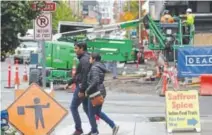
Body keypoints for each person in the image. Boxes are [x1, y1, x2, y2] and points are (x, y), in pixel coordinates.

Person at [85, 53, 119, 135]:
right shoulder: (100, 66)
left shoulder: (94, 68)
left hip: (95, 92)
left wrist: (87, 91)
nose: (89, 60)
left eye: (90, 58)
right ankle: (113, 126)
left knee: (91, 114)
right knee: (98, 112)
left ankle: (94, 132)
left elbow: (95, 81)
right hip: (100, 91)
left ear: (94, 59)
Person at [64, 42, 91, 135]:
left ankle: (79, 129)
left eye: (76, 48)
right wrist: (70, 82)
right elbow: (79, 74)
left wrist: (82, 90)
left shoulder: (84, 60)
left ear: (82, 48)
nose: (75, 50)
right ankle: (94, 128)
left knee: (73, 107)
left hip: (82, 87)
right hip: (85, 87)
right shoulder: (85, 58)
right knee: (87, 108)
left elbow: (84, 76)